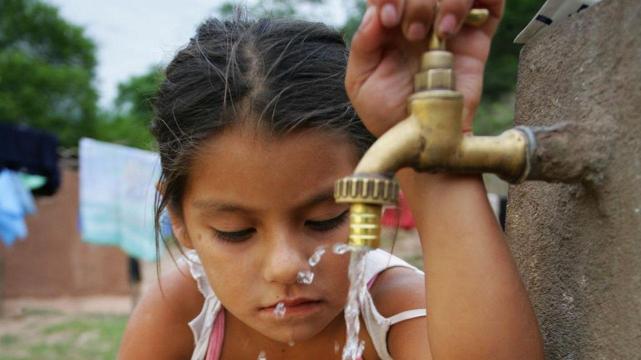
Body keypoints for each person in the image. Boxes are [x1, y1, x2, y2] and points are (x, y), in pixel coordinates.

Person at [119, 0, 544, 358]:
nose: (286, 267)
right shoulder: (188, 308)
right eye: (236, 232)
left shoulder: (395, 314)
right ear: (180, 221)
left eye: (325, 219)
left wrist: (427, 150)